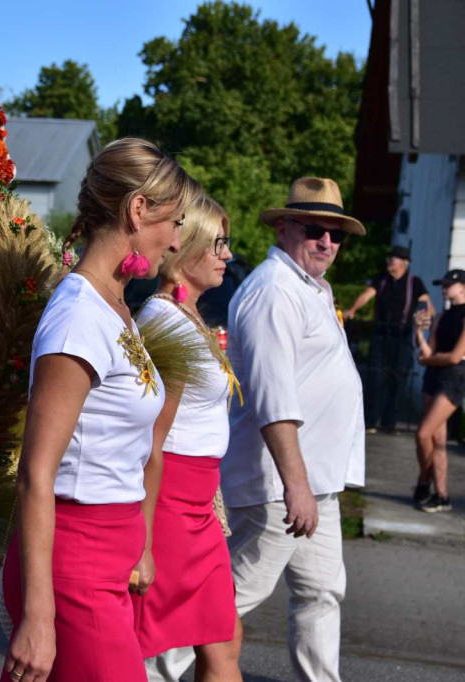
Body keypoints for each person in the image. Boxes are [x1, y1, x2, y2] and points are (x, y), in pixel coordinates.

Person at [0, 137, 201, 682]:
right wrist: (39, 615)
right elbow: (36, 473)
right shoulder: (78, 316)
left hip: (110, 551)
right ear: (138, 210)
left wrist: (139, 544)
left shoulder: (116, 308)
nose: (177, 241)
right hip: (74, 561)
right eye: (174, 221)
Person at [221, 177, 365, 682]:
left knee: (322, 593)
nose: (326, 242)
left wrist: (309, 485)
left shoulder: (311, 287)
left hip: (311, 482)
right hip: (279, 484)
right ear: (284, 227)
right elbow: (273, 398)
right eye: (313, 229)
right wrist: (295, 485)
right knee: (229, 598)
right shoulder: (273, 290)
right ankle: (150, 672)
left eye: (336, 234)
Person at [132, 197, 242, 682]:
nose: (227, 255)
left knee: (224, 639)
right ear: (186, 248)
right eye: (218, 243)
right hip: (171, 501)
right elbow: (150, 439)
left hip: (200, 500)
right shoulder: (163, 321)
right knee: (144, 646)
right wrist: (144, 540)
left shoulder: (187, 316)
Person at [346, 245, 433, 434]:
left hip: (402, 336)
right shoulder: (382, 280)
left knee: (397, 378)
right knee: (376, 377)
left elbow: (426, 305)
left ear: (403, 263)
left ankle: (389, 423)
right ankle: (370, 421)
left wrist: (423, 317)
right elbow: (367, 295)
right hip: (381, 334)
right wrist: (353, 309)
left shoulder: (414, 283)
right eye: (389, 259)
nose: (389, 262)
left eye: (393, 259)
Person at [412, 269, 465, 513]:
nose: (444, 288)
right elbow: (426, 351)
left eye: (449, 285)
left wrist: (430, 360)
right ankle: (441, 495)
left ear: (462, 287)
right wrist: (417, 332)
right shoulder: (442, 316)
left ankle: (424, 481)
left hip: (454, 379)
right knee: (437, 440)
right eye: (442, 284)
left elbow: (455, 357)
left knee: (423, 433)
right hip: (434, 376)